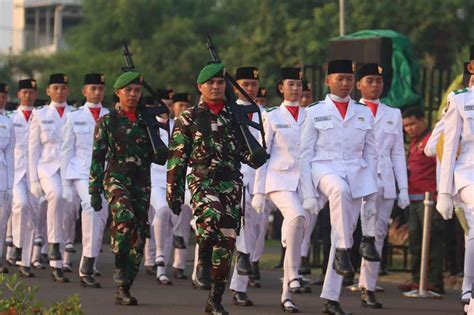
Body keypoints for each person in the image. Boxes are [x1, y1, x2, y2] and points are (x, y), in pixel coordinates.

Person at [167, 63, 259, 315]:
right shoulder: (188, 117)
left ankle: (215, 298)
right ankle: (203, 260)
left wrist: (255, 156)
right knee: (210, 215)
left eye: (220, 83)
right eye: (210, 83)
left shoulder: (234, 116)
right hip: (202, 179)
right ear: (200, 87)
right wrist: (173, 193)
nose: (216, 87)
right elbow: (177, 158)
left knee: (228, 240)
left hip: (230, 182)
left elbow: (243, 149)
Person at [299, 59, 378, 315]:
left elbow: (371, 151)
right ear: (328, 81)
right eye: (339, 78)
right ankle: (346, 250)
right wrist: (308, 192)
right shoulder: (314, 111)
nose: (345, 84)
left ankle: (331, 298)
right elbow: (304, 153)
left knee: (343, 230)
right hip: (324, 166)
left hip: (355, 171)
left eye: (349, 79)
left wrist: (371, 183)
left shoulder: (364, 112)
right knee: (339, 191)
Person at [89, 71, 167, 305]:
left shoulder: (147, 120)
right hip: (116, 179)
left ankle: (124, 286)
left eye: (136, 90)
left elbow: (160, 156)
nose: (133, 95)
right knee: (124, 218)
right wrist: (94, 189)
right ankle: (119, 267)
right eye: (128, 90)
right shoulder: (108, 121)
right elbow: (97, 157)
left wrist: (162, 150)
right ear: (118, 93)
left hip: (142, 182)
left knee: (139, 234)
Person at [354, 63, 410, 308]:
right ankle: (332, 283)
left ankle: (368, 286)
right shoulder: (352, 110)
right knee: (345, 233)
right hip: (357, 178)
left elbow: (398, 152)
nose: (375, 85)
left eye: (378, 80)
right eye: (370, 80)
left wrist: (403, 187)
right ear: (359, 84)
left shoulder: (393, 113)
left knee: (376, 235)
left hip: (385, 181)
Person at [253, 67, 307, 313]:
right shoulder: (272, 116)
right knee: (296, 217)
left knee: (297, 228)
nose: (296, 89)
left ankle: (287, 294)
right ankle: (295, 272)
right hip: (278, 180)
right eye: (291, 84)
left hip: (304, 183)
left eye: (299, 84)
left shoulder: (311, 115)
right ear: (281, 87)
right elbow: (263, 156)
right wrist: (258, 192)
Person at [61, 73, 109, 288]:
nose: (97, 92)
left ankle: (91, 260)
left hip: (107, 172)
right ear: (84, 91)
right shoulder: (74, 116)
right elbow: (66, 150)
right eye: (93, 88)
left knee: (101, 213)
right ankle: (87, 263)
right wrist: (65, 184)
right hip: (80, 170)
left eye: (100, 88)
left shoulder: (111, 115)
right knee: (91, 205)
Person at [28, 73, 75, 282]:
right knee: (56, 195)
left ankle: (63, 250)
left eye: (63, 88)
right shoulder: (39, 114)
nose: (59, 91)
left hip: (70, 168)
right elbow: (33, 148)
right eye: (55, 87)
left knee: (70, 205)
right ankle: (55, 249)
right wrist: (33, 180)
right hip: (46, 167)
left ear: (69, 91)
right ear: (48, 91)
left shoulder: (76, 113)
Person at [437, 46, 474, 307]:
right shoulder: (459, 99)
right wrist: (443, 191)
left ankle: (468, 287)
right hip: (467, 173)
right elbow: (448, 147)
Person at [400, 107, 445, 294]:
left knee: (432, 241)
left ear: (423, 121)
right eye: (406, 126)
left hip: (429, 200)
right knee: (417, 241)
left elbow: (441, 169)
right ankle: (418, 279)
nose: (409, 129)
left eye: (412, 124)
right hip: (414, 199)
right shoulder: (415, 142)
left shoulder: (431, 141)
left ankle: (434, 281)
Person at [229, 66, 264, 306]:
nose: (249, 89)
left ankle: (239, 286)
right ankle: (241, 261)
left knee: (254, 227)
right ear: (235, 87)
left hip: (261, 177)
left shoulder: (266, 114)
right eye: (244, 84)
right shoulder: (229, 113)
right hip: (235, 175)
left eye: (252, 85)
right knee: (244, 220)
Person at [9, 79, 44, 278]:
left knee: (33, 213)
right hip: (15, 171)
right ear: (19, 94)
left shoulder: (41, 115)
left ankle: (26, 260)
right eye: (25, 92)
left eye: (32, 92)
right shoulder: (10, 117)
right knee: (20, 205)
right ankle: (15, 243)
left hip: (36, 172)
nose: (28, 96)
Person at [0, 83, 14, 274]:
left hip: (2, 174)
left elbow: (10, 154)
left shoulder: (7, 121)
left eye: (3, 96)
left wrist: (10, 184)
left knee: (2, 220)